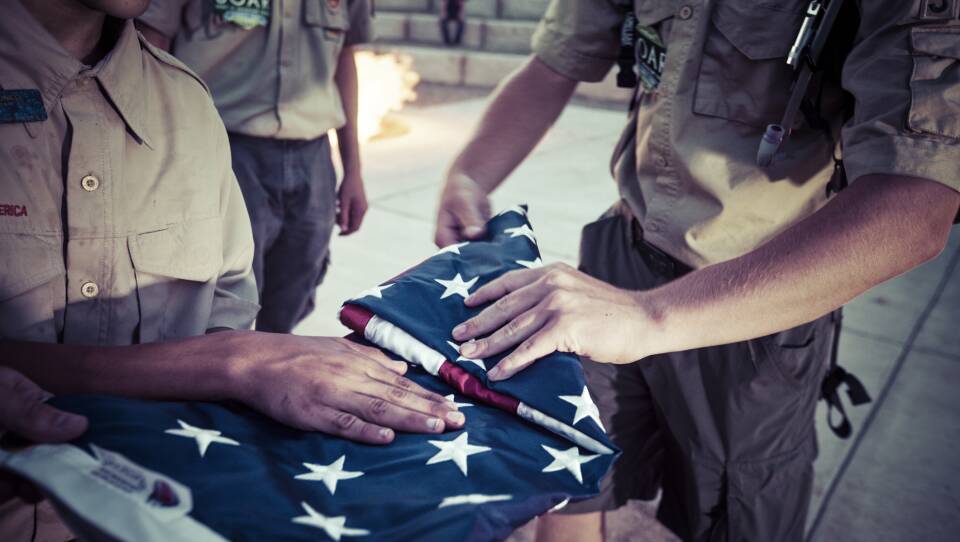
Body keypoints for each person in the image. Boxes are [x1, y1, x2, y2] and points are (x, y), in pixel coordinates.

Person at [434, 1, 960, 541]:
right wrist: (470, 174)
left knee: (736, 513)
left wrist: (651, 317)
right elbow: (556, 61)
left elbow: (915, 204)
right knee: (568, 474)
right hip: (621, 257)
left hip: (756, 301)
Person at [0, 1, 462, 540]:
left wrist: (258, 369)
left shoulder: (186, 107)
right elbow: (232, 353)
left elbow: (227, 316)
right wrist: (233, 362)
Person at [136, 0, 373, 333]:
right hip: (223, 151)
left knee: (292, 299)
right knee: (221, 307)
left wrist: (354, 170)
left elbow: (344, 56)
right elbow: (150, 45)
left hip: (314, 158)